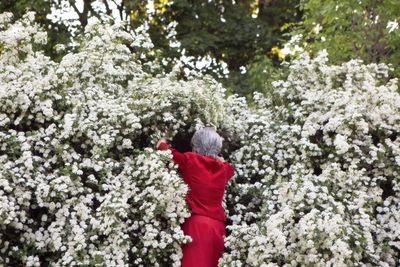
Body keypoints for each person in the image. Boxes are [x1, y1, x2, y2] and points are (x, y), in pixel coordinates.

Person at [156, 127, 234, 267]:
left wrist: (162, 139)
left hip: (195, 225)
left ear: (196, 146)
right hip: (217, 228)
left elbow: (165, 151)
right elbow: (229, 168)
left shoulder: (191, 160)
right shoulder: (224, 169)